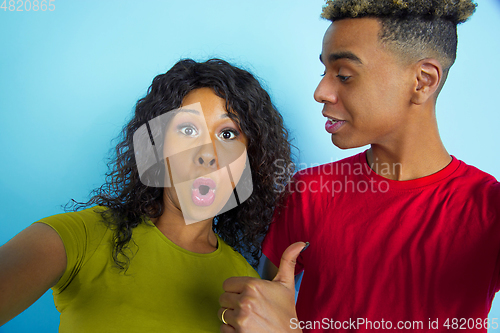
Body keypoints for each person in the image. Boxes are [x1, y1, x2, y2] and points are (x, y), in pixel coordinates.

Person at [218, 1, 500, 332]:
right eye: (323, 72)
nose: (321, 91)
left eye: (345, 75)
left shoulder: (488, 210)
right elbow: (264, 303)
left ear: (423, 81)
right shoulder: (310, 191)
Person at [0, 58, 294, 332]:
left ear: (248, 160)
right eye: (188, 130)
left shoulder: (247, 291)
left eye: (228, 134)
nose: (207, 153)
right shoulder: (83, 237)